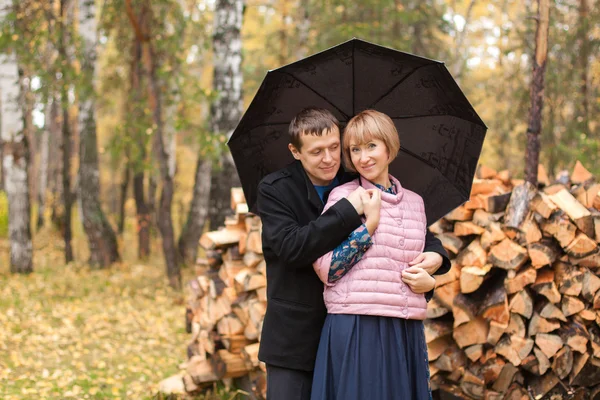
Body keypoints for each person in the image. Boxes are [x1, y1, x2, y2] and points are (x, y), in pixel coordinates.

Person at [256, 107, 450, 400]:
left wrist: (437, 257)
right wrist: (352, 212)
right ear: (296, 152)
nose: (329, 158)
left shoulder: (354, 178)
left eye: (335, 147)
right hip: (297, 334)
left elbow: (413, 233)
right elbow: (293, 248)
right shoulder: (276, 190)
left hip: (355, 323)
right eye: (317, 151)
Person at [311, 109, 437, 400]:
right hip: (357, 324)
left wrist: (431, 281)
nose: (363, 157)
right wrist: (369, 224)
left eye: (371, 146)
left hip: (403, 327)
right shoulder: (343, 197)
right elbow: (327, 270)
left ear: (389, 147)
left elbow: (417, 257)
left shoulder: (416, 203)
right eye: (355, 149)